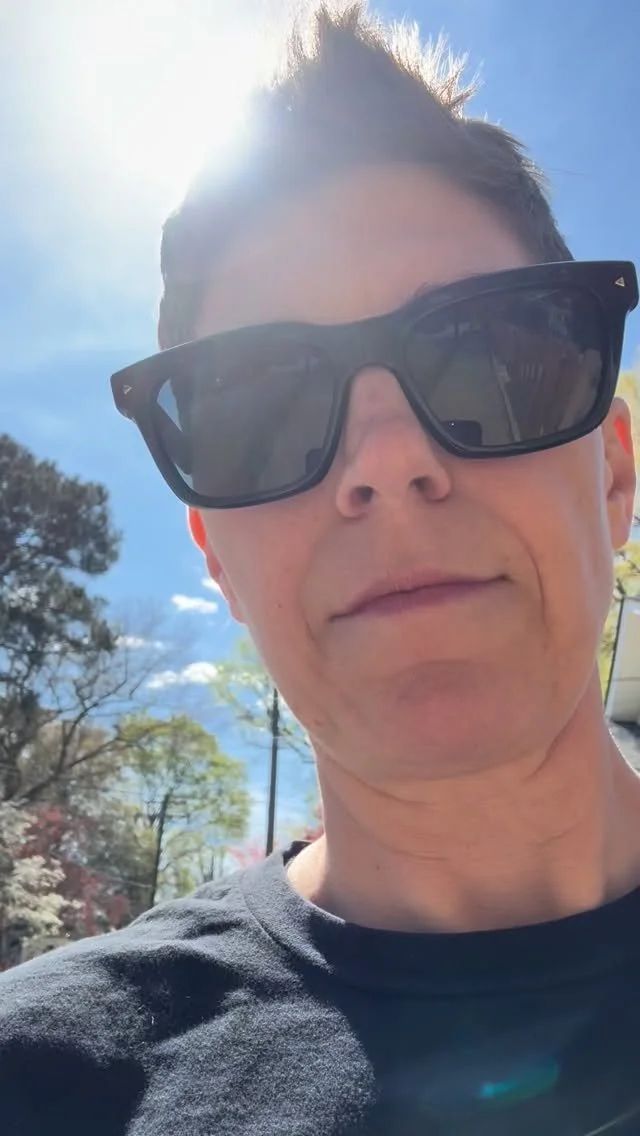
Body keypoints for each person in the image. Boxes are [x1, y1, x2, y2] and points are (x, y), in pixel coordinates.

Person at [2, 3, 640, 1133]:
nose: (386, 461)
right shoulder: (44, 1083)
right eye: (262, 409)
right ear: (217, 560)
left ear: (614, 473)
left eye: (488, 356)